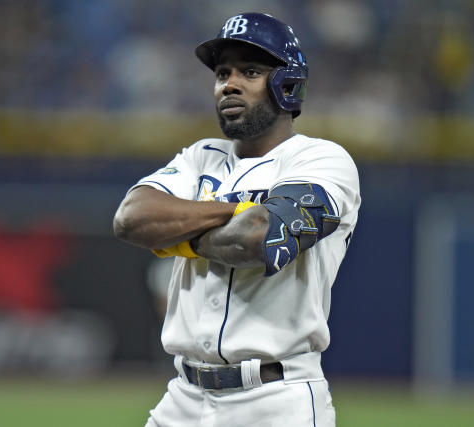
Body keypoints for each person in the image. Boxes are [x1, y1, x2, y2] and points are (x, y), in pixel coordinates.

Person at [113, 12, 361, 427]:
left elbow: (257, 239)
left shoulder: (322, 159)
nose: (229, 83)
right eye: (222, 73)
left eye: (250, 71)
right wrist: (236, 209)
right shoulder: (200, 156)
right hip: (183, 398)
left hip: (276, 400)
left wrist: (179, 236)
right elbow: (131, 219)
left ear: (287, 84)